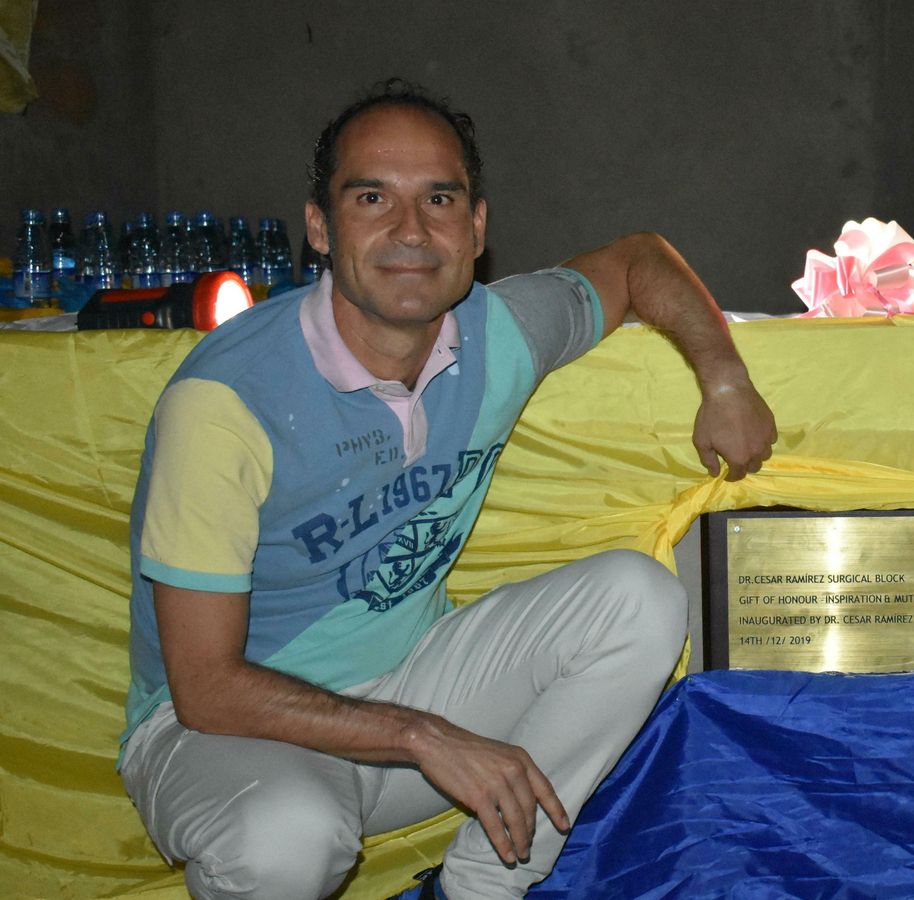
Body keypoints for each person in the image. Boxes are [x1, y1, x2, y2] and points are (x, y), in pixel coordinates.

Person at [116, 80, 778, 900]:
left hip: (407, 687)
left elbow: (639, 257)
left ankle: (476, 888)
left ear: (477, 227)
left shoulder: (498, 334)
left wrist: (724, 379)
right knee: (284, 841)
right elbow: (205, 686)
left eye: (440, 197)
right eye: (371, 197)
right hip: (226, 739)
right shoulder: (226, 403)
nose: (411, 230)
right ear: (320, 228)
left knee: (641, 598)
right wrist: (424, 735)